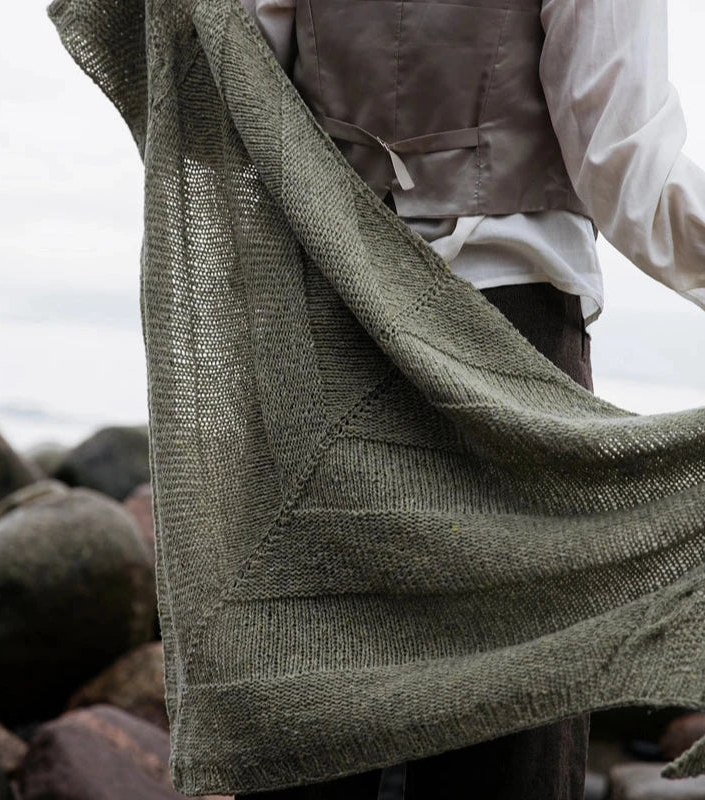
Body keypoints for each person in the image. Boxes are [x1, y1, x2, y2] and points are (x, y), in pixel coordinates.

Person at [230, 0, 705, 798]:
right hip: (505, 345)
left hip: (324, 331)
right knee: (506, 734)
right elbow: (624, 163)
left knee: (310, 721)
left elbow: (234, 95)